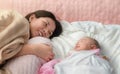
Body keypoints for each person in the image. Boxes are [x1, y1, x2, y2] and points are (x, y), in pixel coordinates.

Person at [0, 10, 62, 74]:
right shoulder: (19, 21)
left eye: (49, 33)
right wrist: (34, 49)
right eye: (45, 24)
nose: (45, 31)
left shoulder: (25, 40)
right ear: (32, 18)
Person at [39, 37, 112, 74]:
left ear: (93, 47)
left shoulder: (96, 58)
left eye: (82, 41)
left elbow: (104, 68)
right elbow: (65, 64)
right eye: (77, 42)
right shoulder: (73, 56)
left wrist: (103, 60)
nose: (77, 43)